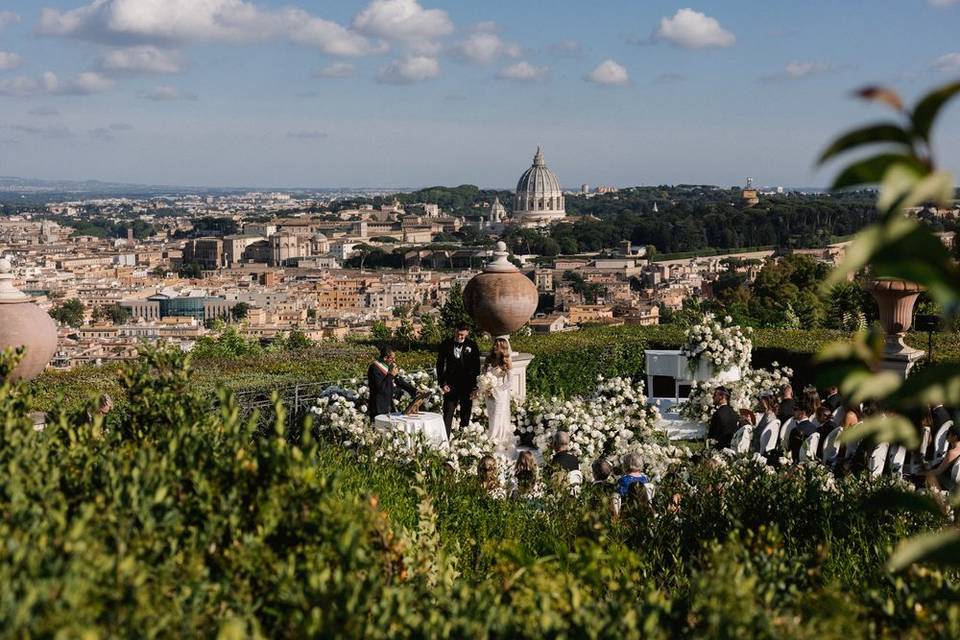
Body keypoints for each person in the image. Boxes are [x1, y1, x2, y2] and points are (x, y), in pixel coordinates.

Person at [436, 323, 481, 435]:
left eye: (463, 335)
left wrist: (475, 387)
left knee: (466, 414)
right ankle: (445, 439)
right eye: (458, 334)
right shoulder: (446, 344)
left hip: (467, 385)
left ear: (467, 333)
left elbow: (476, 367)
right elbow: (440, 364)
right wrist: (442, 383)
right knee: (448, 413)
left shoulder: (472, 345)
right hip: (450, 385)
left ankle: (463, 438)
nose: (460, 337)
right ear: (455, 331)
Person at [481, 337, 514, 451]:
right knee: (491, 416)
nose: (495, 347)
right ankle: (493, 437)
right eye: (494, 344)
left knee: (497, 416)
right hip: (488, 393)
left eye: (498, 345)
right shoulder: (488, 359)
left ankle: (493, 439)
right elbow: (483, 374)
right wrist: (484, 385)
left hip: (500, 394)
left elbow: (510, 381)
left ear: (503, 348)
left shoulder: (506, 361)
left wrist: (498, 389)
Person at [366, 345, 417, 418]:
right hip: (378, 407)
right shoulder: (374, 368)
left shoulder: (389, 366)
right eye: (392, 358)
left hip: (389, 404)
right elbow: (380, 388)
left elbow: (399, 381)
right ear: (385, 358)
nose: (394, 360)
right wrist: (391, 375)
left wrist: (414, 390)